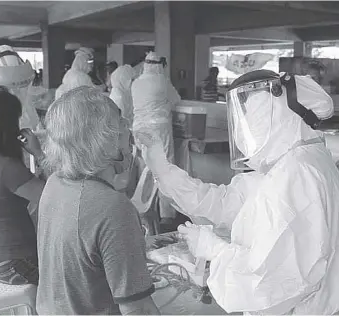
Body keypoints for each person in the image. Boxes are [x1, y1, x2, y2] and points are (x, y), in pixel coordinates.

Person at [136, 70, 339, 314]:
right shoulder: (289, 164)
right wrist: (163, 170)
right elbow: (223, 203)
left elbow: (270, 281)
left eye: (253, 116)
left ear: (275, 114)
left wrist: (216, 250)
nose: (245, 130)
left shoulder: (297, 174)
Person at [36, 86, 159, 315]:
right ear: (103, 139)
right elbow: (139, 309)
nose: (128, 132)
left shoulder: (55, 182)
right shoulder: (112, 207)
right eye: (121, 125)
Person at [0, 86, 45, 285]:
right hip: (13, 263)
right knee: (74, 274)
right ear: (6, 125)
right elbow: (52, 197)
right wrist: (38, 154)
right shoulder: (6, 166)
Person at [132, 52, 181, 222]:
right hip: (159, 130)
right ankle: (166, 214)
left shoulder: (136, 82)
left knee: (146, 168)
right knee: (164, 168)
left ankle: (145, 209)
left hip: (139, 129)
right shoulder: (162, 81)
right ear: (159, 66)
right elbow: (176, 99)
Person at [0, 45, 40, 130]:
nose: (13, 93)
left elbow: (33, 125)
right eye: (6, 88)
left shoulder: (24, 102)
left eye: (17, 87)